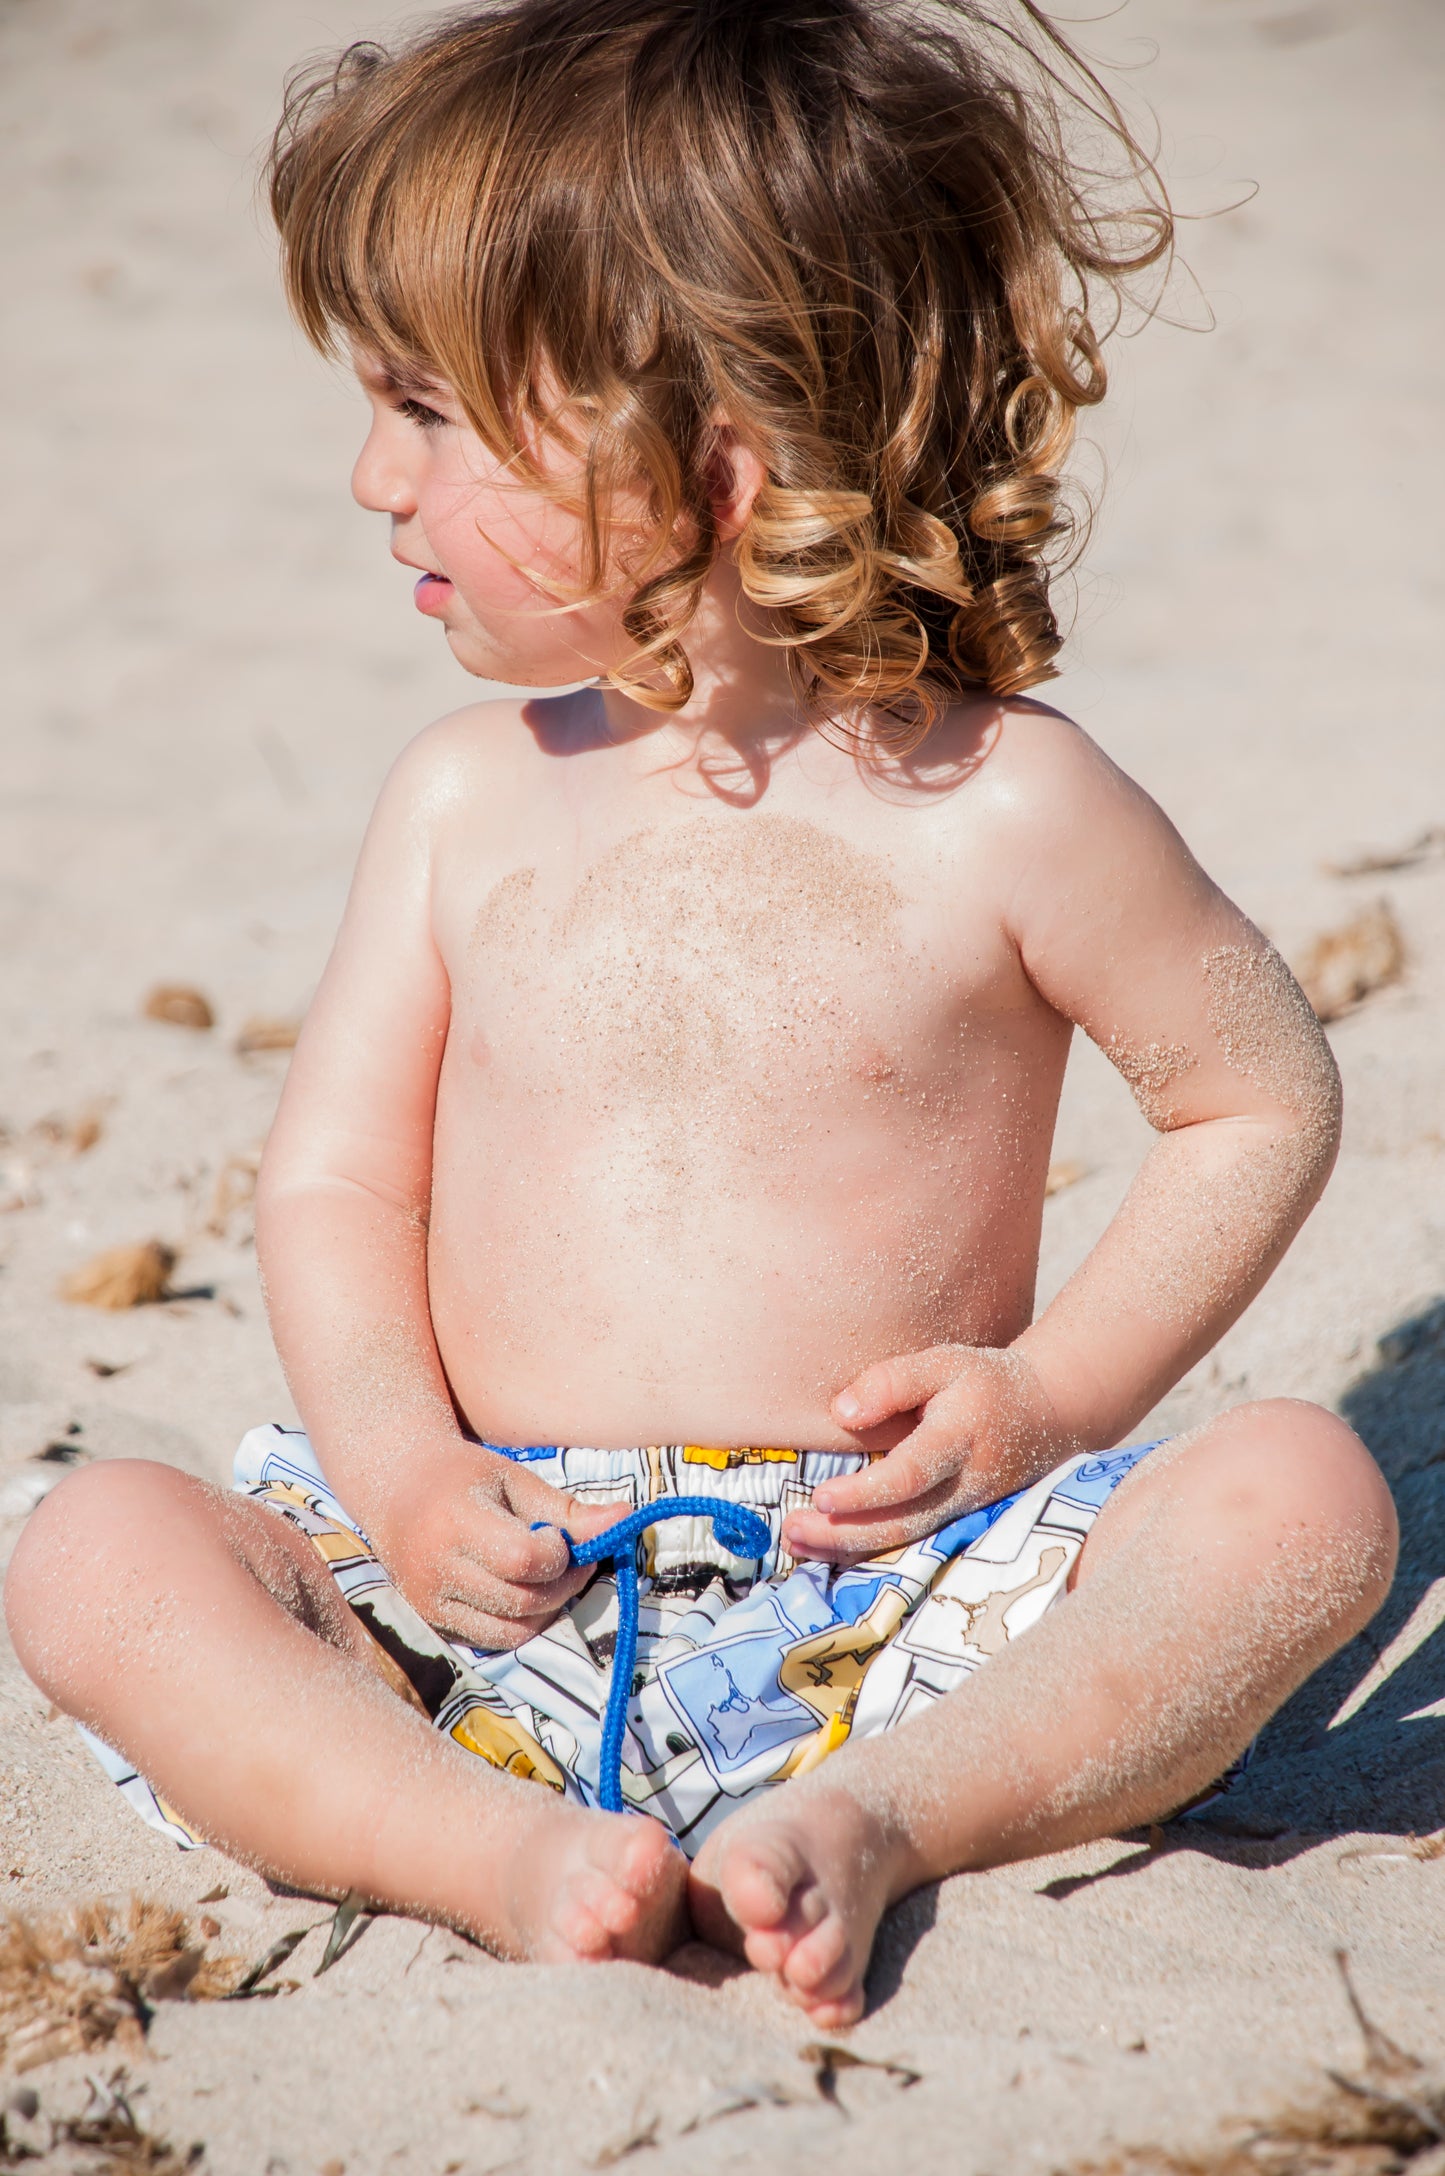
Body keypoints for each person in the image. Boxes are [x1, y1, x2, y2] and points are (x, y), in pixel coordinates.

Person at [5, 0, 1396, 2033]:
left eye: (433, 410)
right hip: (497, 1570)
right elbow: (330, 1179)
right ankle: (479, 1846)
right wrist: (396, 1467)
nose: (372, 476)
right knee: (95, 1545)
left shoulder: (1015, 807)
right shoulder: (467, 797)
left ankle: (885, 1816)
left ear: (719, 452)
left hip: (914, 1590)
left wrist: (1059, 1398)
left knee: (1306, 1501)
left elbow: (1256, 1095)